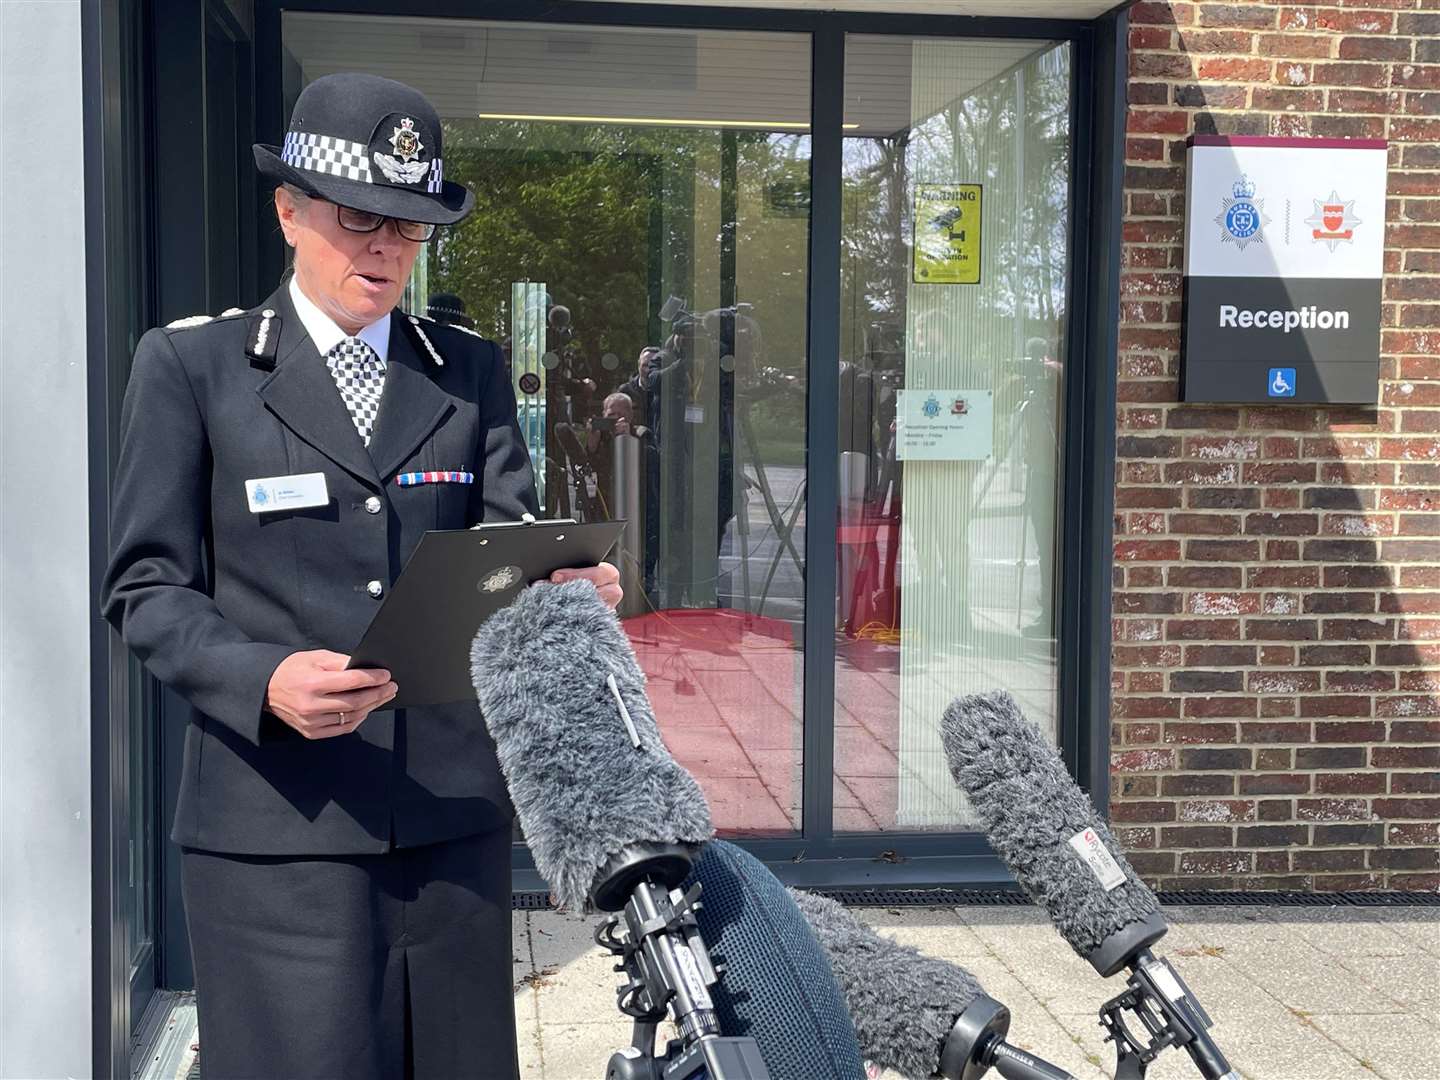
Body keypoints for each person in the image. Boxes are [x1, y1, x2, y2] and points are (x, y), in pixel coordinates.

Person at [100, 72, 620, 1080]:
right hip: (275, 836)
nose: (385, 249)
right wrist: (261, 679)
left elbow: (504, 548)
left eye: (411, 228)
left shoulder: (467, 372)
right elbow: (146, 588)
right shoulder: (193, 369)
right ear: (289, 212)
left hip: (447, 822)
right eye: (359, 220)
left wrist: (562, 594)